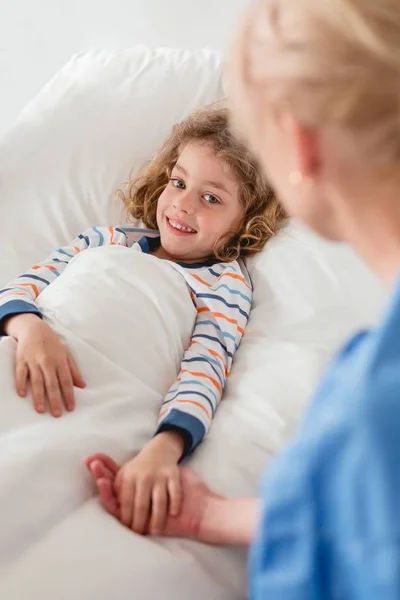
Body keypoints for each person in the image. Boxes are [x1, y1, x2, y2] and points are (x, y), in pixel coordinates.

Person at [88, 0, 400, 597]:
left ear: (299, 147)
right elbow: (355, 514)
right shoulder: (366, 400)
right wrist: (213, 518)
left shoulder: (365, 408)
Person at [0, 105, 285, 537]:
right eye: (179, 182)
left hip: (99, 388)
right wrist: (29, 328)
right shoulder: (105, 239)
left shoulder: (225, 285)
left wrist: (163, 449)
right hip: (27, 350)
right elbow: (22, 287)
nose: (183, 205)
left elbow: (204, 370)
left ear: (246, 221)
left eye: (211, 198)